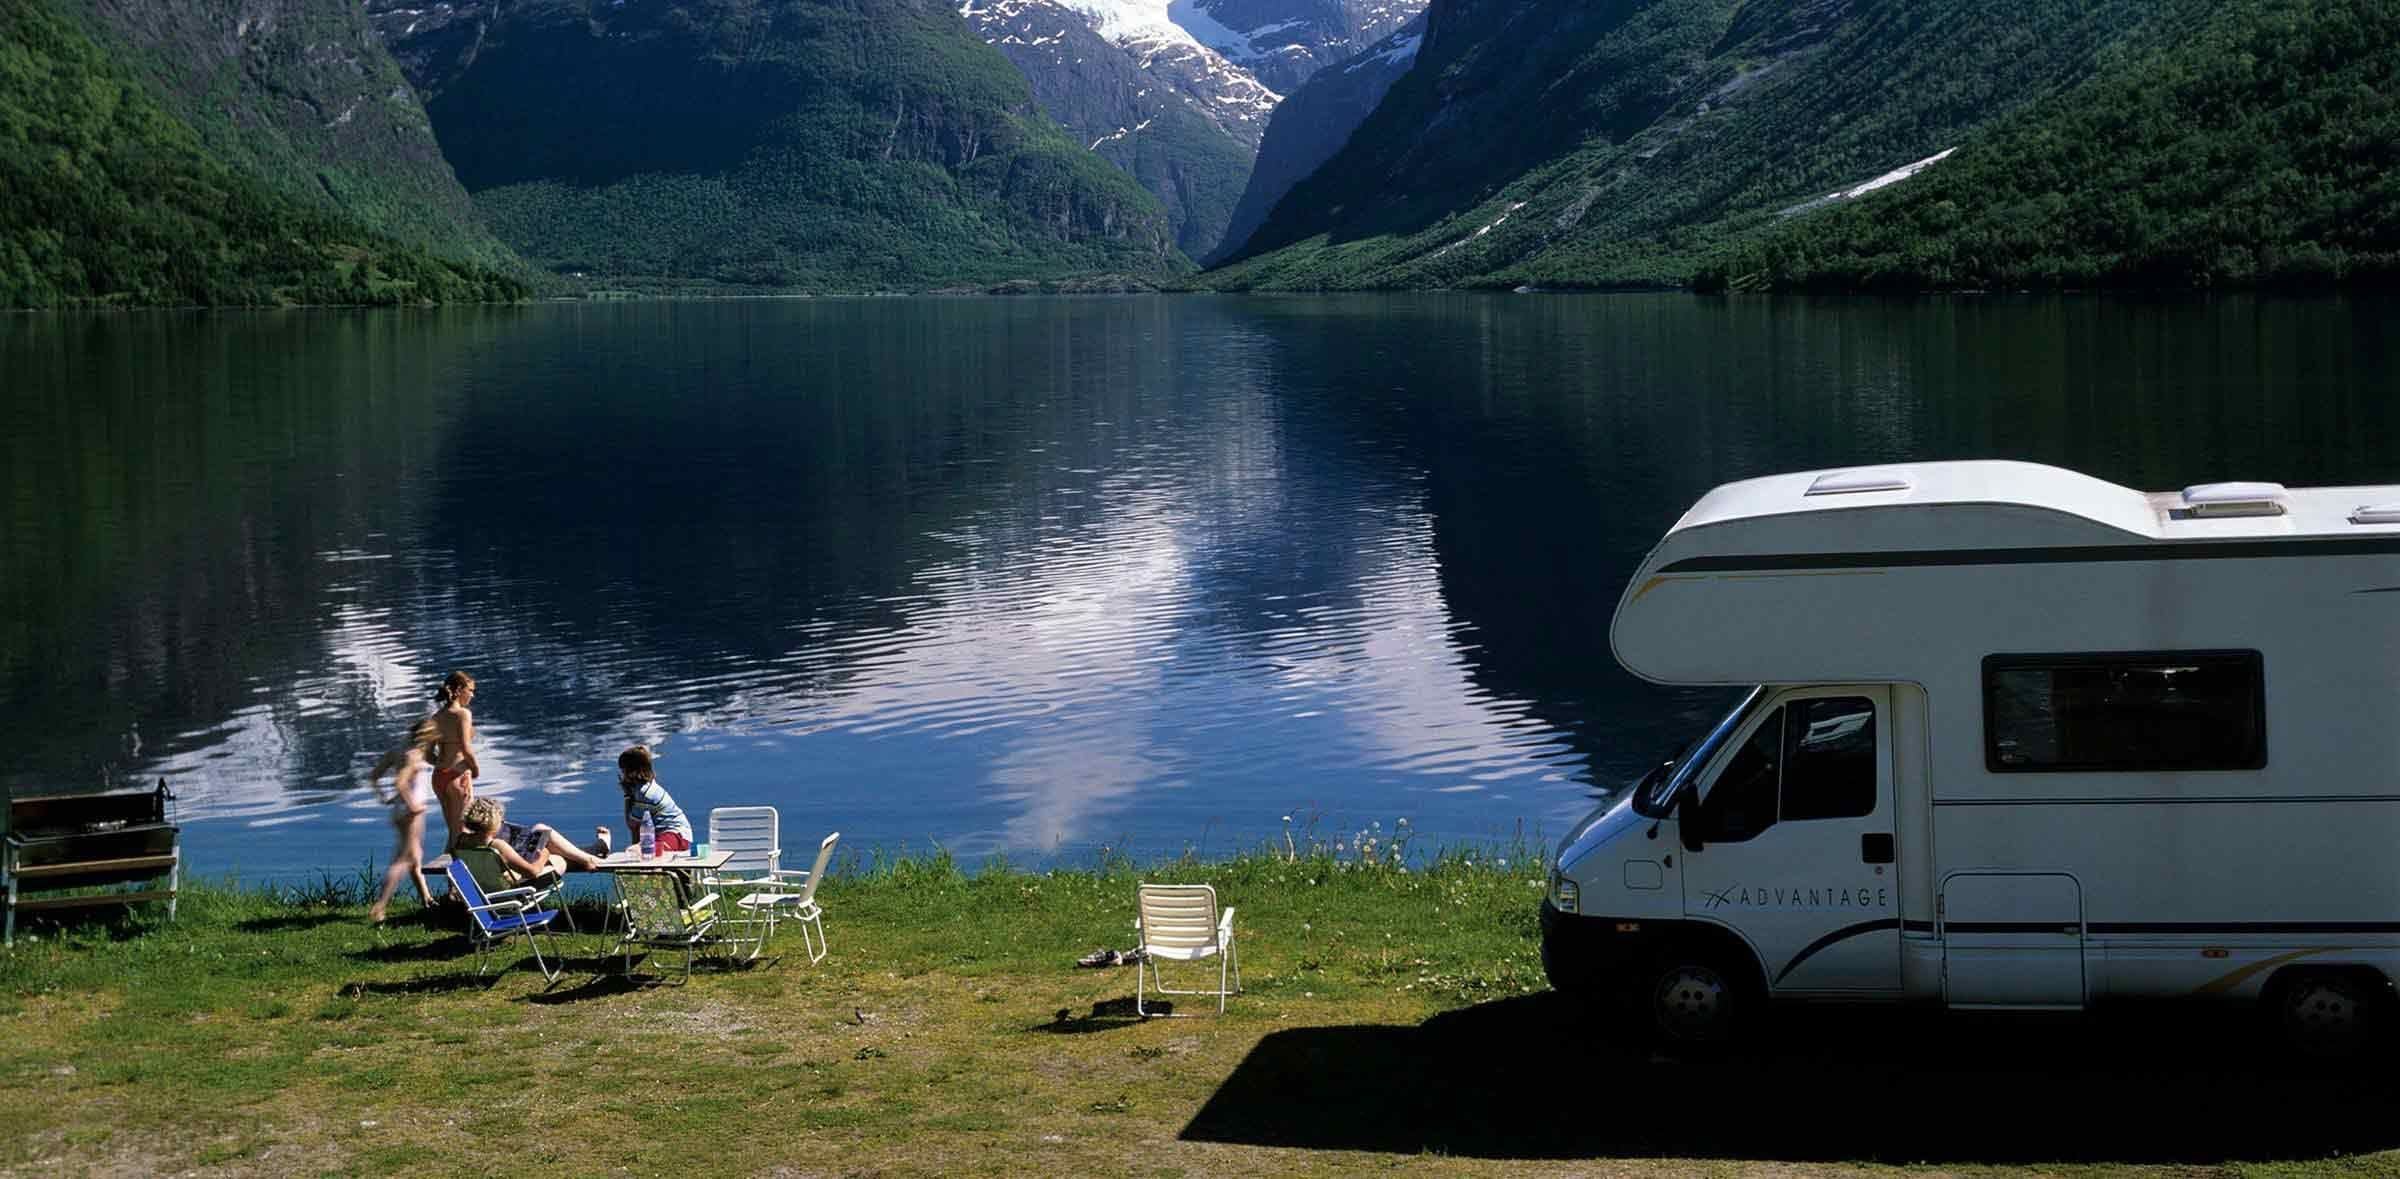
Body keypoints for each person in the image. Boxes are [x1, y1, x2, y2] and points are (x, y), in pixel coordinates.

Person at [365, 717, 440, 923]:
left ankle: (427, 899)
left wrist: (383, 797)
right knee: (402, 860)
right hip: (412, 812)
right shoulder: (414, 755)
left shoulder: (398, 751)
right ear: (427, 737)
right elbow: (400, 782)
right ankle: (379, 907)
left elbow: (373, 776)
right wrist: (414, 806)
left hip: (399, 810)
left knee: (415, 857)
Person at [452, 797, 566, 892]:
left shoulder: (461, 841)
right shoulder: (496, 846)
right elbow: (533, 872)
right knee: (559, 861)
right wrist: (544, 854)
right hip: (508, 894)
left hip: (482, 892)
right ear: (495, 822)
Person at [613, 745, 694, 855]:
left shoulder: (644, 793)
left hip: (674, 834)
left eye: (623, 770)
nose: (622, 774)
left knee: (642, 851)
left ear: (631, 771)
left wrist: (627, 796)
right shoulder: (647, 786)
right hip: (675, 834)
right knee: (642, 851)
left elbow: (632, 825)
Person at [429, 671, 481, 840]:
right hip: (458, 775)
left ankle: (452, 866)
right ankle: (460, 867)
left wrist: (443, 764)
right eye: (470, 690)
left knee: (453, 831)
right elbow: (466, 747)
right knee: (463, 832)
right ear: (459, 690)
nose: (472, 695)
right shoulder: (463, 714)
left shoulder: (435, 717)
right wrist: (475, 768)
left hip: (439, 776)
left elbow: (426, 753)